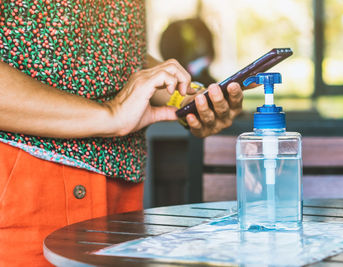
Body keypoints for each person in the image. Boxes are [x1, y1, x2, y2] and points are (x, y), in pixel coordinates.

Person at [0, 0, 243, 266]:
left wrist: (186, 97)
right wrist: (112, 115)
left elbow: (117, 55)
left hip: (122, 186)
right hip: (28, 182)